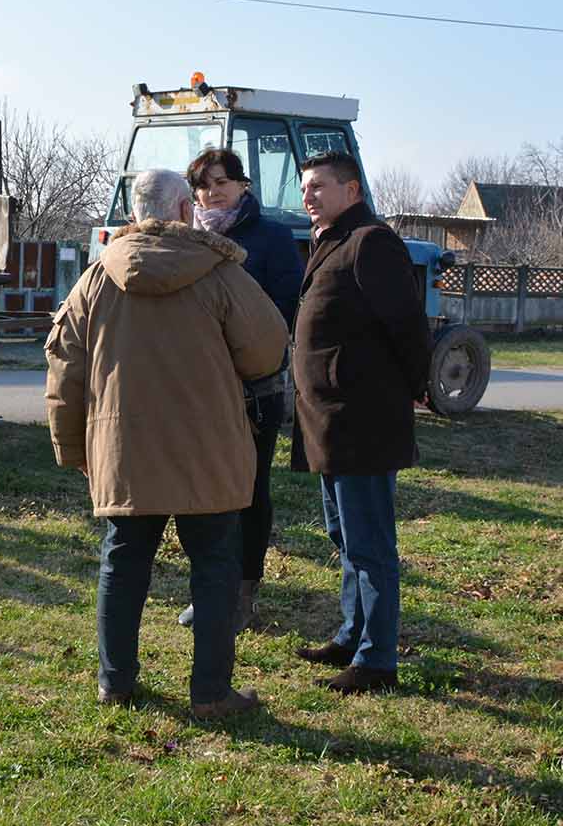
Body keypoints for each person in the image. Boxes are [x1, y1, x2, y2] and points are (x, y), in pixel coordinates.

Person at [46, 168, 288, 719]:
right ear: (185, 211)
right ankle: (210, 694)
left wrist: (72, 450)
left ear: (134, 213)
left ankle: (116, 682)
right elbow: (266, 352)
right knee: (215, 567)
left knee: (123, 562)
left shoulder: (94, 280)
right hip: (210, 447)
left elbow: (64, 370)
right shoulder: (221, 273)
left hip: (124, 448)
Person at [291, 151, 431, 695]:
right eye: (305, 187)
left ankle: (377, 660)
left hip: (362, 421)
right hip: (326, 421)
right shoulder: (328, 241)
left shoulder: (371, 242)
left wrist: (412, 388)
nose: (308, 196)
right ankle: (352, 635)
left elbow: (407, 327)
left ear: (351, 190)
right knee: (344, 536)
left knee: (369, 544)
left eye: (319, 186)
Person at [176, 148, 304, 632]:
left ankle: (245, 591)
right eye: (203, 185)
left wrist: (237, 342)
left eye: (221, 182)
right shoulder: (187, 239)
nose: (212, 193)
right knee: (199, 491)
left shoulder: (269, 237)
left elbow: (284, 306)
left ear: (243, 185)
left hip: (255, 386)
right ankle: (209, 590)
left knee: (250, 489)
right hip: (196, 387)